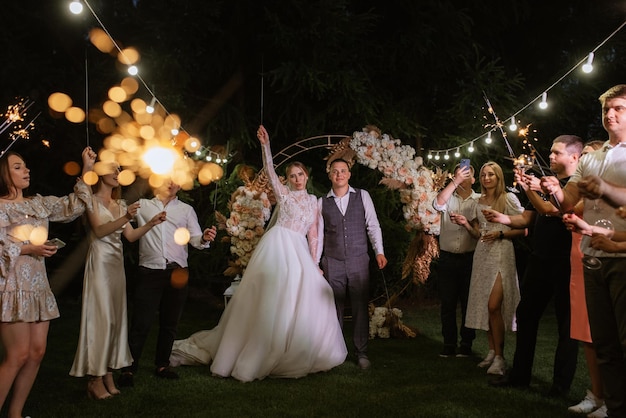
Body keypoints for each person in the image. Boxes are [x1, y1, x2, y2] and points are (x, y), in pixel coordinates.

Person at [169, 125, 347, 382]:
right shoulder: (283, 194)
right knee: (273, 297)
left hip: (299, 251)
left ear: (307, 176)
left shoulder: (314, 203)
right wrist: (266, 145)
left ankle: (296, 347)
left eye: (300, 174)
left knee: (315, 295)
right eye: (293, 176)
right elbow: (271, 172)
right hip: (278, 245)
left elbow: (315, 235)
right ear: (288, 180)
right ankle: (256, 348)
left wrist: (314, 263)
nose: (297, 179)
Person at [541, 84, 626, 417]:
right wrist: (553, 192)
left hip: (622, 256)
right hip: (592, 256)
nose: (610, 114)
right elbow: (569, 205)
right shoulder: (592, 158)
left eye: (618, 107)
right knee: (604, 345)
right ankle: (615, 408)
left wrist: (604, 188)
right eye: (606, 109)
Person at [0, 147, 96, 418]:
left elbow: (74, 206)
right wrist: (29, 249)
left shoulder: (37, 203)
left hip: (38, 286)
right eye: (17, 166)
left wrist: (86, 167)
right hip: (12, 288)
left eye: (25, 165)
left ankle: (15, 414)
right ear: (4, 173)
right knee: (17, 354)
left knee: (37, 353)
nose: (26, 170)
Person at [486, 135, 582, 397]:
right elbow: (528, 218)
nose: (550, 157)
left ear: (574, 157)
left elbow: (553, 210)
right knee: (526, 315)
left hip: (566, 262)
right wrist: (503, 217)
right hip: (540, 259)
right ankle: (520, 376)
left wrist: (530, 188)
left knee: (566, 324)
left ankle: (560, 386)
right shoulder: (543, 184)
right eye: (550, 152)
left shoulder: (575, 186)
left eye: (556, 152)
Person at [69, 162, 166, 399]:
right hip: (100, 263)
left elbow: (130, 236)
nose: (117, 174)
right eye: (113, 170)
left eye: (119, 171)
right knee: (100, 317)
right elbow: (100, 231)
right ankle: (94, 378)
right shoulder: (91, 200)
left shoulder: (120, 203)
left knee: (115, 318)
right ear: (100, 174)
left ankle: (108, 373)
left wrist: (151, 223)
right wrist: (125, 217)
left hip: (116, 265)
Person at [118, 178, 217, 386]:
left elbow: (196, 239)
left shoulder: (186, 210)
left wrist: (206, 238)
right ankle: (128, 368)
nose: (171, 184)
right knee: (141, 322)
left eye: (176, 181)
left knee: (170, 322)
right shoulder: (143, 205)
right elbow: (121, 219)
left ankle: (162, 364)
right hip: (149, 271)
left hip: (177, 272)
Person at [318, 158, 387, 370]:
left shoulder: (362, 195)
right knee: (333, 308)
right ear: (330, 175)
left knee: (359, 306)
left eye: (343, 171)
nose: (339, 174)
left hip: (359, 260)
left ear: (349, 174)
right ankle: (335, 352)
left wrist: (379, 251)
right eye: (335, 171)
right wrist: (316, 263)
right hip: (332, 261)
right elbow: (318, 235)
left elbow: (372, 225)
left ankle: (361, 352)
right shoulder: (322, 202)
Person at [465, 161, 525, 376]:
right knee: (486, 304)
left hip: (502, 253)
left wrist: (501, 233)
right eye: (483, 175)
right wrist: (466, 225)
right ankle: (492, 350)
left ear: (499, 178)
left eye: (491, 174)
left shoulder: (508, 198)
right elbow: (477, 233)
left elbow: (523, 229)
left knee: (494, 305)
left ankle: (500, 357)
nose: (486, 178)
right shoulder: (478, 201)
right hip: (482, 255)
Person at [567, 140, 606, 417]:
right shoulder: (582, 191)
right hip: (578, 259)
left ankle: (612, 398)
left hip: (605, 258)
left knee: (605, 334)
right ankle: (596, 394)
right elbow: (563, 206)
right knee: (586, 334)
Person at [432, 163, 480, 357]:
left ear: (474, 179)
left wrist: (465, 223)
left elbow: (479, 233)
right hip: (447, 259)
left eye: (466, 174)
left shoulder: (478, 200)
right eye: (459, 174)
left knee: (469, 304)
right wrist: (455, 181)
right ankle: (449, 344)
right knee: (448, 304)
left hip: (470, 259)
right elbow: (437, 204)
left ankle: (467, 344)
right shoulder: (447, 197)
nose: (462, 177)